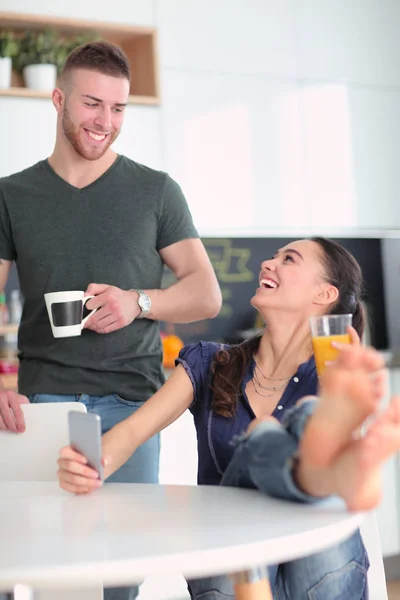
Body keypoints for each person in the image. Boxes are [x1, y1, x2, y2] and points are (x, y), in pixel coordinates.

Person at [0, 41, 221, 600]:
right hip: (45, 403)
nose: (105, 122)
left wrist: (138, 302)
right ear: (58, 100)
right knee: (56, 574)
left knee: (123, 574)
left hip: (133, 405)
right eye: (92, 104)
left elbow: (205, 293)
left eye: (119, 108)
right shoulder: (11, 195)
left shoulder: (156, 191)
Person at [57, 237, 388, 599]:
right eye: (273, 256)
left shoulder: (334, 372)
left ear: (324, 294)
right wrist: (91, 464)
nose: (268, 263)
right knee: (272, 436)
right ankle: (318, 472)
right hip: (229, 565)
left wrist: (339, 393)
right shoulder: (210, 363)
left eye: (288, 259)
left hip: (320, 563)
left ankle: (318, 468)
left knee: (293, 426)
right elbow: (133, 431)